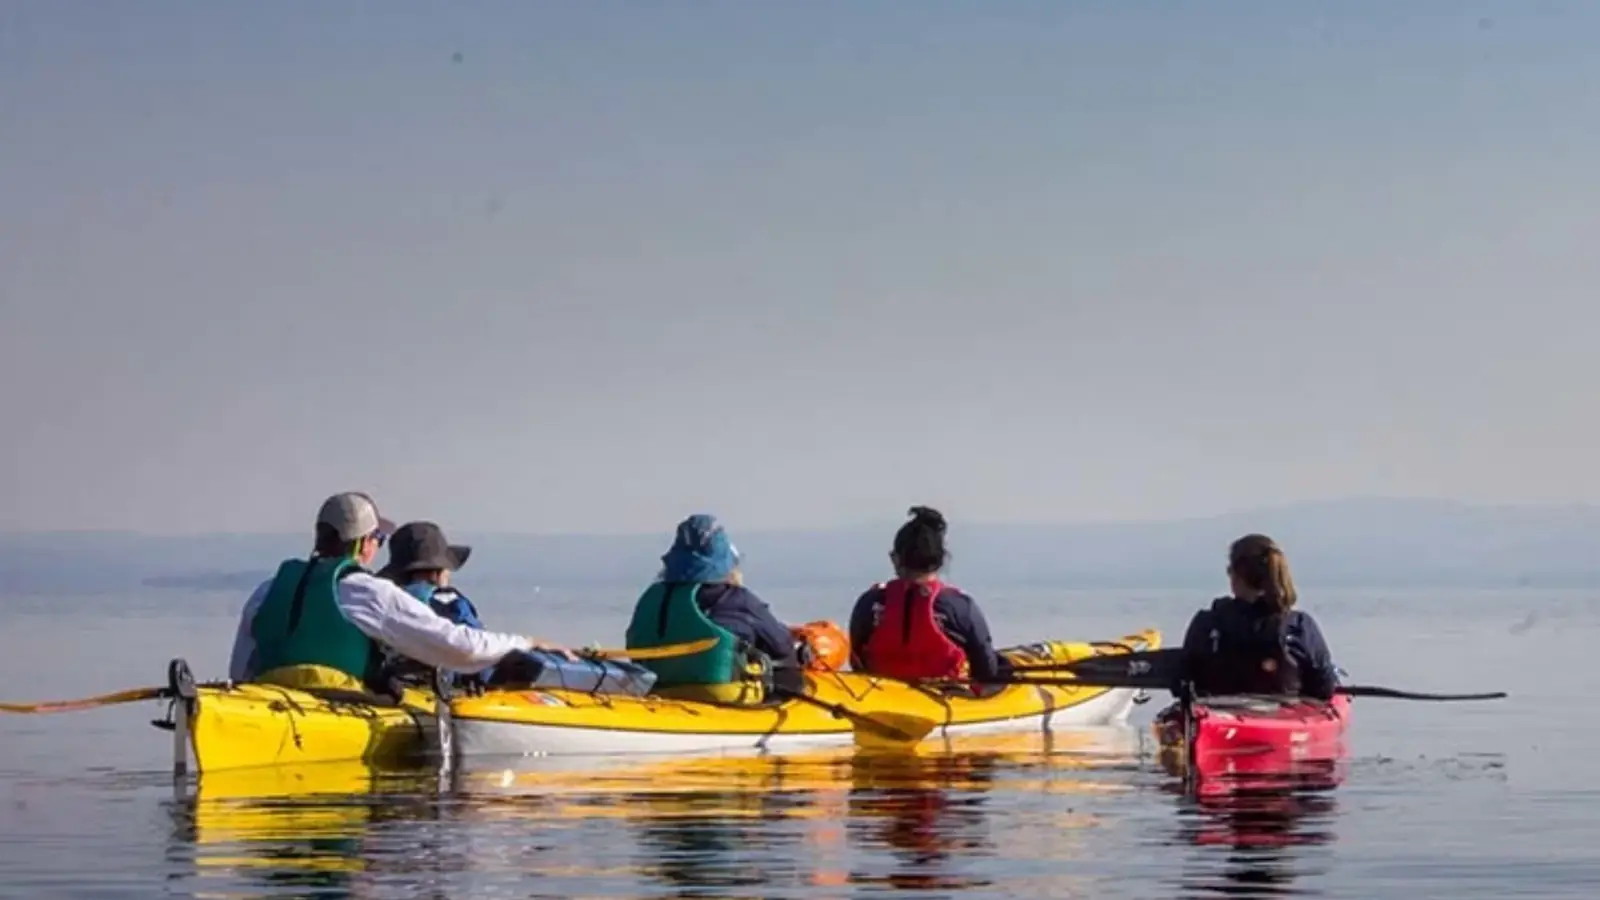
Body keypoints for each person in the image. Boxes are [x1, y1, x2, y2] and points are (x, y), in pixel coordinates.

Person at [227, 492, 571, 693]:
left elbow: (240, 670)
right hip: (335, 711)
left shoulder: (267, 589)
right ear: (363, 543)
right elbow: (460, 647)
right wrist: (524, 642)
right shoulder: (367, 592)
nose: (377, 548)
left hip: (267, 699)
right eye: (378, 539)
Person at [623, 514, 799, 704]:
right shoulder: (737, 599)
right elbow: (781, 643)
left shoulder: (655, 596)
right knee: (787, 665)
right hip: (720, 693)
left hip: (656, 688)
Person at [848, 506, 1008, 683]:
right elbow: (987, 671)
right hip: (946, 697)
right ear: (941, 561)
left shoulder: (869, 602)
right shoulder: (960, 606)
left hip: (880, 696)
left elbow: (856, 660)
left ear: (895, 559)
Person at [1175, 533, 1340, 700]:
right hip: (1283, 716)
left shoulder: (1207, 623)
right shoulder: (1299, 626)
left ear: (1236, 575)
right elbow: (1324, 687)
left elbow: (1180, 682)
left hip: (1217, 716)